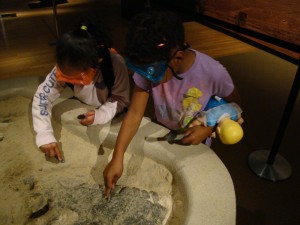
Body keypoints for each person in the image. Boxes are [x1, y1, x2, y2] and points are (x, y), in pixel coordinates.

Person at [103, 11, 241, 197]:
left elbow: (235, 104)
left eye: (152, 73)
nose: (147, 77)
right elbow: (135, 113)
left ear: (177, 59)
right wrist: (117, 156)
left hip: (196, 140)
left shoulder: (212, 72)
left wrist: (208, 128)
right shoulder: (149, 64)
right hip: (163, 130)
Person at [32, 19, 130, 162]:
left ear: (97, 62)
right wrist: (44, 134)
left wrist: (101, 114)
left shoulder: (115, 65)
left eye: (77, 78)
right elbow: (43, 96)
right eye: (65, 75)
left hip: (112, 113)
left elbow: (121, 98)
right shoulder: (67, 59)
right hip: (83, 105)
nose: (69, 80)